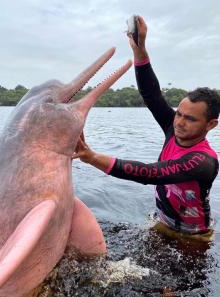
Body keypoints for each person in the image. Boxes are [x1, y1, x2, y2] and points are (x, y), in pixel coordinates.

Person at [72, 16, 220, 241]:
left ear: (211, 125)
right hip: (163, 222)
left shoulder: (203, 162)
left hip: (193, 237)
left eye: (190, 119)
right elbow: (152, 95)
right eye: (178, 113)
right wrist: (139, 51)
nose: (179, 122)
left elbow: (151, 173)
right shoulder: (174, 129)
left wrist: (91, 157)